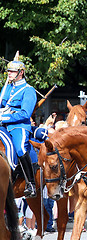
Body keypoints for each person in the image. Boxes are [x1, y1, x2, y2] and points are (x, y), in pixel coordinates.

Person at [0, 52, 37, 198]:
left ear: (20, 73)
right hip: (3, 125)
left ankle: (31, 183)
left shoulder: (29, 90)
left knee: (21, 148)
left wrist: (5, 116)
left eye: (12, 71)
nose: (9, 73)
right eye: (8, 71)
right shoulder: (7, 88)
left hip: (18, 126)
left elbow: (25, 114)